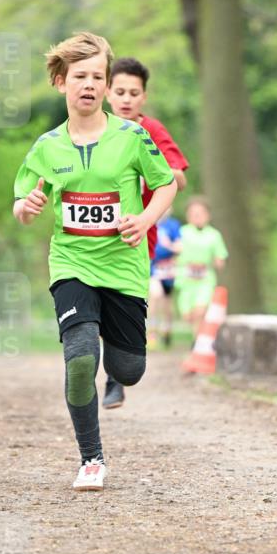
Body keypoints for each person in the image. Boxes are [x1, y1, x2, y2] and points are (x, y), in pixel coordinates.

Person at [13, 31, 177, 491]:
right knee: (81, 358)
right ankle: (91, 458)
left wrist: (144, 219)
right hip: (72, 261)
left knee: (128, 371)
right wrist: (25, 209)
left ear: (107, 87)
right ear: (61, 82)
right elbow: (23, 202)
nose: (89, 84)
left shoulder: (132, 137)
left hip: (123, 265)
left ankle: (113, 339)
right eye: (79, 76)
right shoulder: (47, 146)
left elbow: (167, 184)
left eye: (97, 77)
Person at [104, 57, 189, 405]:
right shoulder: (95, 127)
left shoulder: (152, 130)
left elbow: (180, 178)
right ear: (107, 92)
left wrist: (150, 173)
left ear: (144, 96)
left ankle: (116, 375)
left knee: (123, 306)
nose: (126, 99)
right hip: (95, 231)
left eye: (133, 93)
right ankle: (105, 373)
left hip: (140, 235)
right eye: (119, 91)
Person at [175, 196, 228, 337]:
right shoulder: (182, 232)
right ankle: (197, 341)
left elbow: (220, 257)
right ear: (188, 216)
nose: (197, 216)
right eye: (193, 213)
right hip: (186, 280)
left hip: (205, 280)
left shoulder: (214, 235)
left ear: (208, 215)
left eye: (200, 213)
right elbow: (172, 253)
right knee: (188, 315)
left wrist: (219, 261)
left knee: (200, 311)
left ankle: (196, 345)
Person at [150, 211, 182, 348]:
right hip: (152, 266)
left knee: (167, 304)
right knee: (156, 295)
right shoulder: (149, 219)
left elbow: (180, 247)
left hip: (168, 268)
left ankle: (167, 331)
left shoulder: (173, 225)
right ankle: (151, 334)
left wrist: (168, 244)